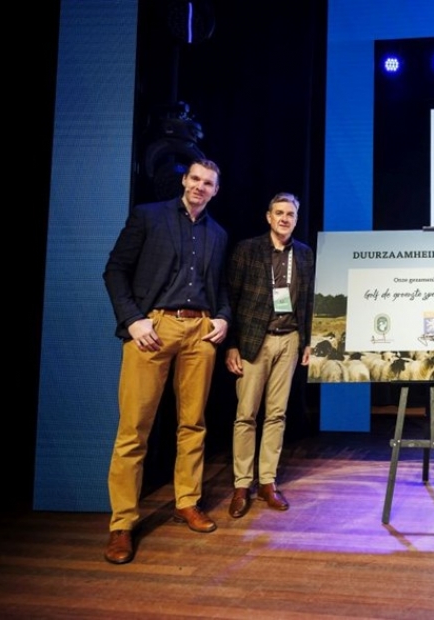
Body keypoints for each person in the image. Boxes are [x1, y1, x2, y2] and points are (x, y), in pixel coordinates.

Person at [102, 159, 231, 564]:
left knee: (193, 424)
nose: (200, 186)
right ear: (184, 180)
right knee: (134, 428)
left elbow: (220, 286)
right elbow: (115, 270)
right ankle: (122, 523)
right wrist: (132, 320)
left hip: (200, 331)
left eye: (208, 183)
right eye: (195, 179)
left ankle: (186, 501)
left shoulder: (218, 233)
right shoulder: (149, 216)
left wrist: (224, 317)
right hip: (153, 328)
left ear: (215, 190)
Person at [224, 192, 315, 518]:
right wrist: (231, 344)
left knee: (277, 415)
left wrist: (307, 341)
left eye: (290, 214)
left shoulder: (303, 255)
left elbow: (306, 303)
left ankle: (267, 481)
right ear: (268, 216)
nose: (284, 219)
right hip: (253, 340)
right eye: (279, 212)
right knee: (246, 414)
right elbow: (230, 299)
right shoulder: (247, 250)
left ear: (295, 218)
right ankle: (241, 484)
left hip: (289, 339)